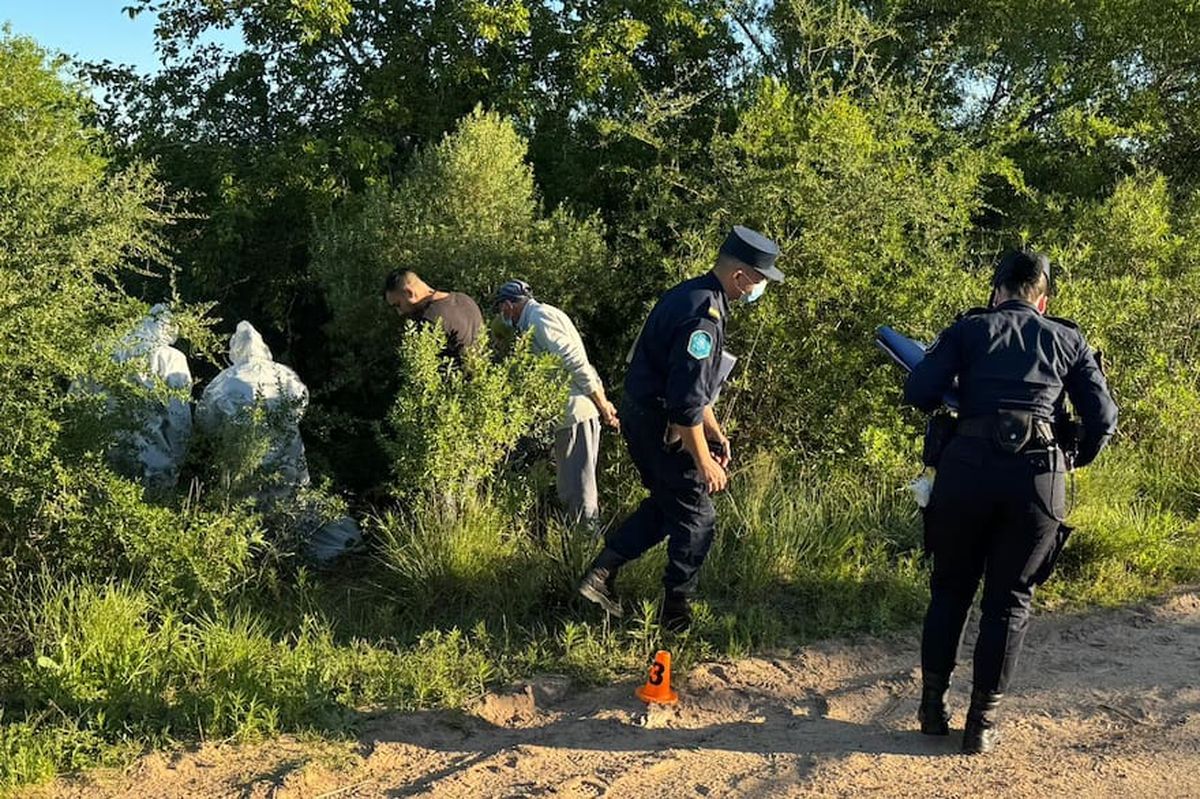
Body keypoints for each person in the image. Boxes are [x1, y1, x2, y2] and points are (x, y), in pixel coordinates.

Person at [903, 250, 1119, 754]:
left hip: (967, 471)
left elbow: (919, 391)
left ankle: (932, 709)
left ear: (996, 291)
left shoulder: (970, 329)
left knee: (951, 590)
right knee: (1010, 601)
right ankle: (981, 726)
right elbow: (1103, 418)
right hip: (1038, 479)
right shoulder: (1069, 339)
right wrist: (1073, 459)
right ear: (1041, 300)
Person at [576, 226, 784, 632]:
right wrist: (705, 461)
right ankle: (676, 612)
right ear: (740, 276)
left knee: (670, 503)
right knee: (698, 518)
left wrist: (716, 433)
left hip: (646, 416)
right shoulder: (703, 320)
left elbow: (696, 391)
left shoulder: (692, 294)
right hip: (660, 425)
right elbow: (685, 403)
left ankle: (600, 575)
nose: (759, 290)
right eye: (759, 281)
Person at [495, 279, 620, 524]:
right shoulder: (537, 318)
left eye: (500, 308)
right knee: (573, 490)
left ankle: (587, 553)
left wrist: (602, 403)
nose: (501, 314)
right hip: (571, 415)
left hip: (575, 412)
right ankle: (582, 550)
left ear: (508, 305)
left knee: (578, 493)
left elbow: (574, 361)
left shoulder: (540, 318)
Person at [382, 269, 484, 361]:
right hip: (485, 375)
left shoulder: (428, 320)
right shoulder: (464, 299)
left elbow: (422, 367)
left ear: (409, 293)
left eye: (398, 305)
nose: (400, 312)